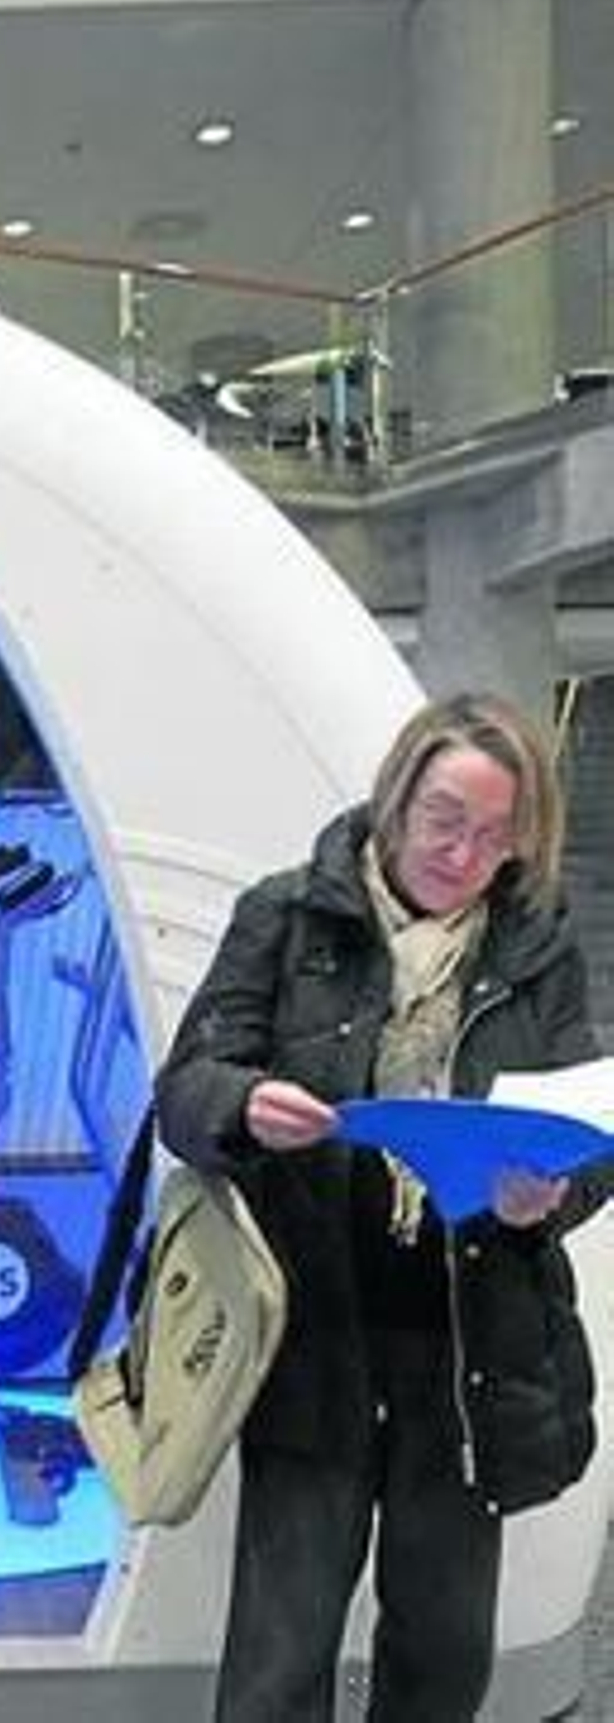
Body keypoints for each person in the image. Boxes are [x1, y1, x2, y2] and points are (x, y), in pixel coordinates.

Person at [156, 692, 605, 1723]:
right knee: (280, 1652)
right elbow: (185, 1091)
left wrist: (547, 1196)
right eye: (445, 818)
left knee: (443, 1651)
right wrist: (241, 1105)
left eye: (495, 834)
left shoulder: (535, 945)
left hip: (469, 1344)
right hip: (313, 1334)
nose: (464, 853)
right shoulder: (285, 916)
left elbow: (583, 1130)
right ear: (396, 796)